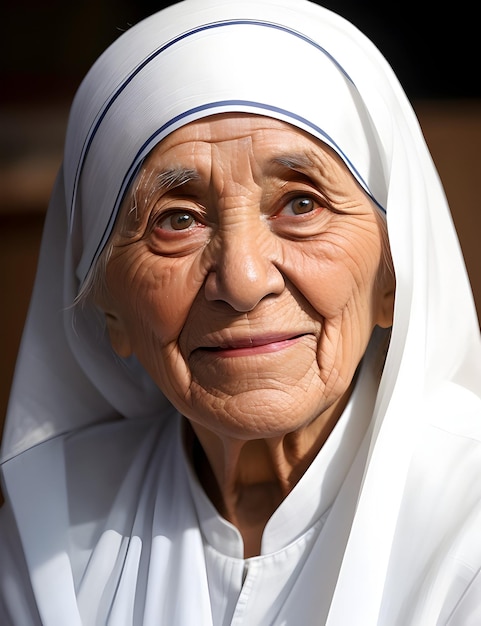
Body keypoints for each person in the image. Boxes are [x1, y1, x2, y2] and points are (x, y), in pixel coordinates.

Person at [1, 0, 480, 623]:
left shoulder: (466, 532)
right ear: (108, 307)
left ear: (392, 273)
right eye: (177, 220)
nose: (244, 280)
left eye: (301, 206)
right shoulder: (53, 534)